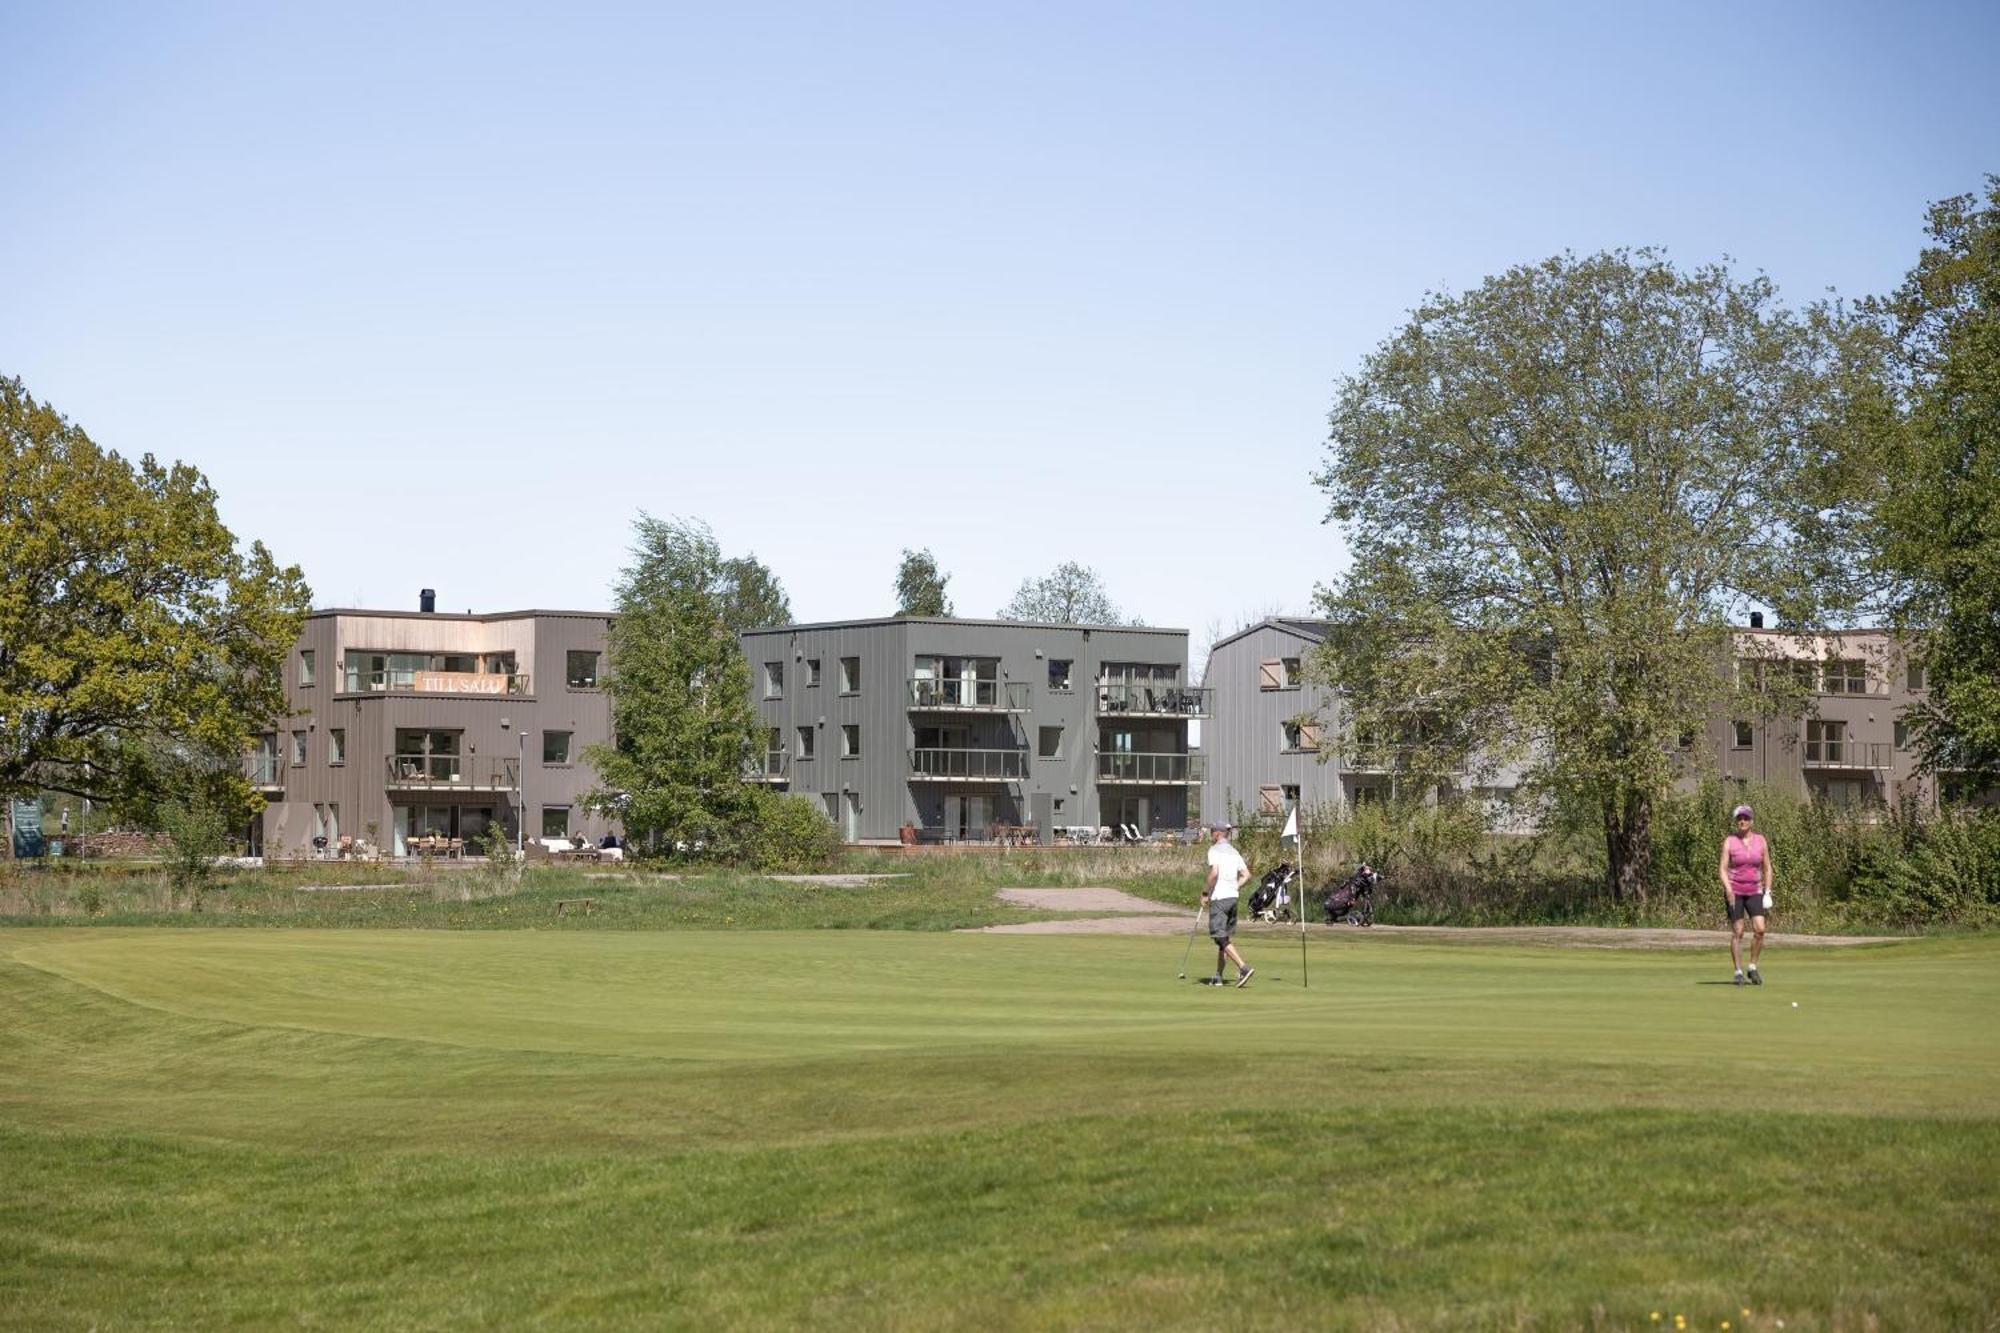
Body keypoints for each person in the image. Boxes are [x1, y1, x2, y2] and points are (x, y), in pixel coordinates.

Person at [1717, 803, 1773, 985]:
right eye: (1739, 818)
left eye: (1746, 818)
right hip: (1735, 890)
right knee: (1738, 931)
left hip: (1755, 890)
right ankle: (1738, 971)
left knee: (1760, 929)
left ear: (1752, 821)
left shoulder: (1761, 841)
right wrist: (1728, 889)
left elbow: (1767, 868)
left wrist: (1768, 892)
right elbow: (1723, 869)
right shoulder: (1730, 841)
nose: (1742, 821)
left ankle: (1753, 967)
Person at [1201, 821, 1254, 987]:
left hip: (1220, 899)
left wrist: (1205, 893)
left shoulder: (1214, 850)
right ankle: (1218, 976)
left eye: (1212, 833)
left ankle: (1243, 967)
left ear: (1217, 833)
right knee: (1224, 939)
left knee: (1219, 936)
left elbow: (1214, 873)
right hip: (1233, 898)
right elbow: (1247, 874)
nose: (1211, 836)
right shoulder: (1234, 852)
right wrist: (1235, 886)